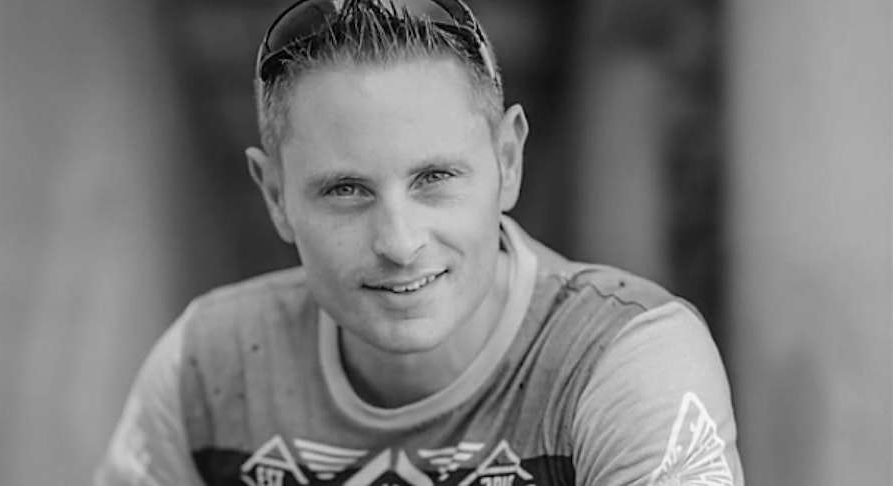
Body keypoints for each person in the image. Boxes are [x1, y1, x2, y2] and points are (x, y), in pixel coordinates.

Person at [95, 0, 744, 484]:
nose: (400, 243)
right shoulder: (208, 366)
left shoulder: (618, 358)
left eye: (434, 178)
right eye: (346, 190)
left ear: (508, 161)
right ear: (275, 197)